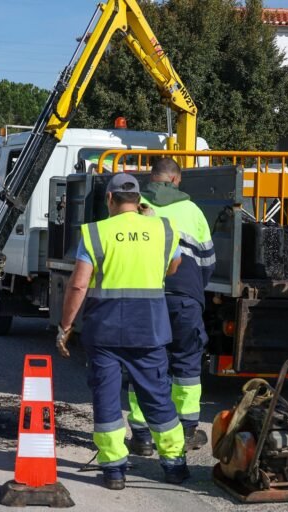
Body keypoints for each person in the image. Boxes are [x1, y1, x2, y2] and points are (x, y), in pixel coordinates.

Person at [57, 173, 189, 490]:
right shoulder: (162, 228)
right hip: (149, 329)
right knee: (157, 397)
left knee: (105, 399)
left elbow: (78, 284)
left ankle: (114, 469)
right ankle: (174, 464)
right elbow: (173, 267)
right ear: (139, 200)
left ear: (110, 199)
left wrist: (65, 327)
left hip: (105, 332)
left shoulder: (95, 233)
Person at [126, 157, 216, 455]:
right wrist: (192, 292)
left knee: (145, 363)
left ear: (152, 179)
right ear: (176, 180)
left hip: (145, 297)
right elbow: (207, 262)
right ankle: (187, 431)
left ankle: (142, 435)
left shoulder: (134, 206)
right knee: (187, 364)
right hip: (184, 299)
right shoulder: (192, 211)